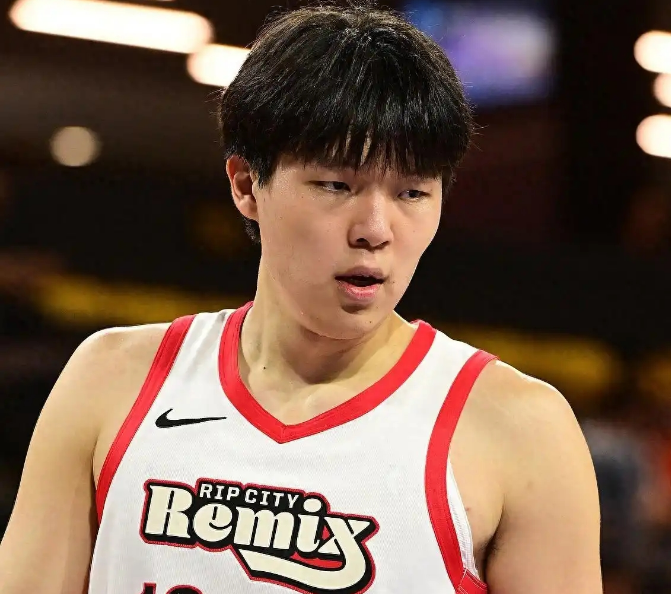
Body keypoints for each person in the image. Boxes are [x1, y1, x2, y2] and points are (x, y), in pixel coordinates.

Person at [0, 4, 602, 594]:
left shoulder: (520, 429)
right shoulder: (111, 379)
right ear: (246, 184)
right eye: (336, 185)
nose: (375, 229)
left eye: (412, 193)